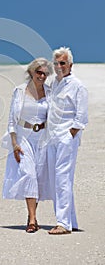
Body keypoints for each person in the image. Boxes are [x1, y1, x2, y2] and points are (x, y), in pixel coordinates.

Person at [2, 58, 53, 233]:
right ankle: (32, 219)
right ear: (31, 72)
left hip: (43, 139)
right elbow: (11, 120)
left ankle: (33, 216)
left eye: (45, 73)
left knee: (37, 177)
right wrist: (14, 143)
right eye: (38, 72)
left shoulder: (49, 92)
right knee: (29, 174)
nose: (42, 75)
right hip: (23, 137)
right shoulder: (20, 91)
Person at [47, 47, 88, 235]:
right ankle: (70, 220)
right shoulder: (54, 83)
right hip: (52, 137)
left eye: (62, 63)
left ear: (70, 65)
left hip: (66, 138)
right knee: (56, 179)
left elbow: (81, 116)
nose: (59, 66)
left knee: (63, 178)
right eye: (56, 63)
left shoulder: (78, 85)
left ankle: (63, 223)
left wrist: (70, 134)